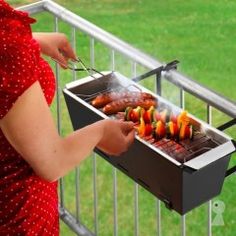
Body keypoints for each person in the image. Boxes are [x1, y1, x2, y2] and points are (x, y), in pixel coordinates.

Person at [0, 1, 135, 235]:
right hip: (17, 214)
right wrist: (101, 132)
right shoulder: (7, 49)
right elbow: (52, 162)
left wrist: (31, 43)